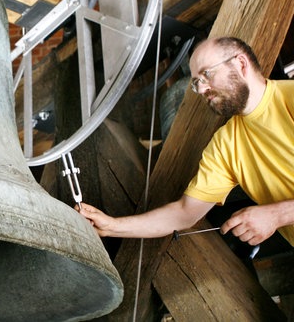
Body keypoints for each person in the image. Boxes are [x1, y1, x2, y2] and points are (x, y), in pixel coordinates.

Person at [79, 36, 294, 247]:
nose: (201, 89)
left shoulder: (289, 97)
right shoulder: (225, 144)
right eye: (196, 83)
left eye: (206, 74)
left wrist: (276, 215)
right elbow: (184, 213)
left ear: (240, 64)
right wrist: (111, 226)